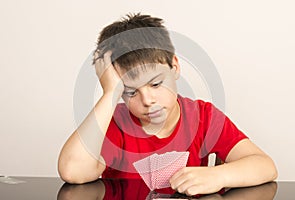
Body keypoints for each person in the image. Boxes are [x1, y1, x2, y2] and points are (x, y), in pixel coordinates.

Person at [58, 13, 277, 196]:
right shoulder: (116, 123)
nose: (147, 100)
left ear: (175, 67)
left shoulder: (203, 117)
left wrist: (220, 176)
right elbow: (72, 171)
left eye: (155, 83)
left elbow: (265, 166)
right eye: (129, 92)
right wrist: (109, 95)